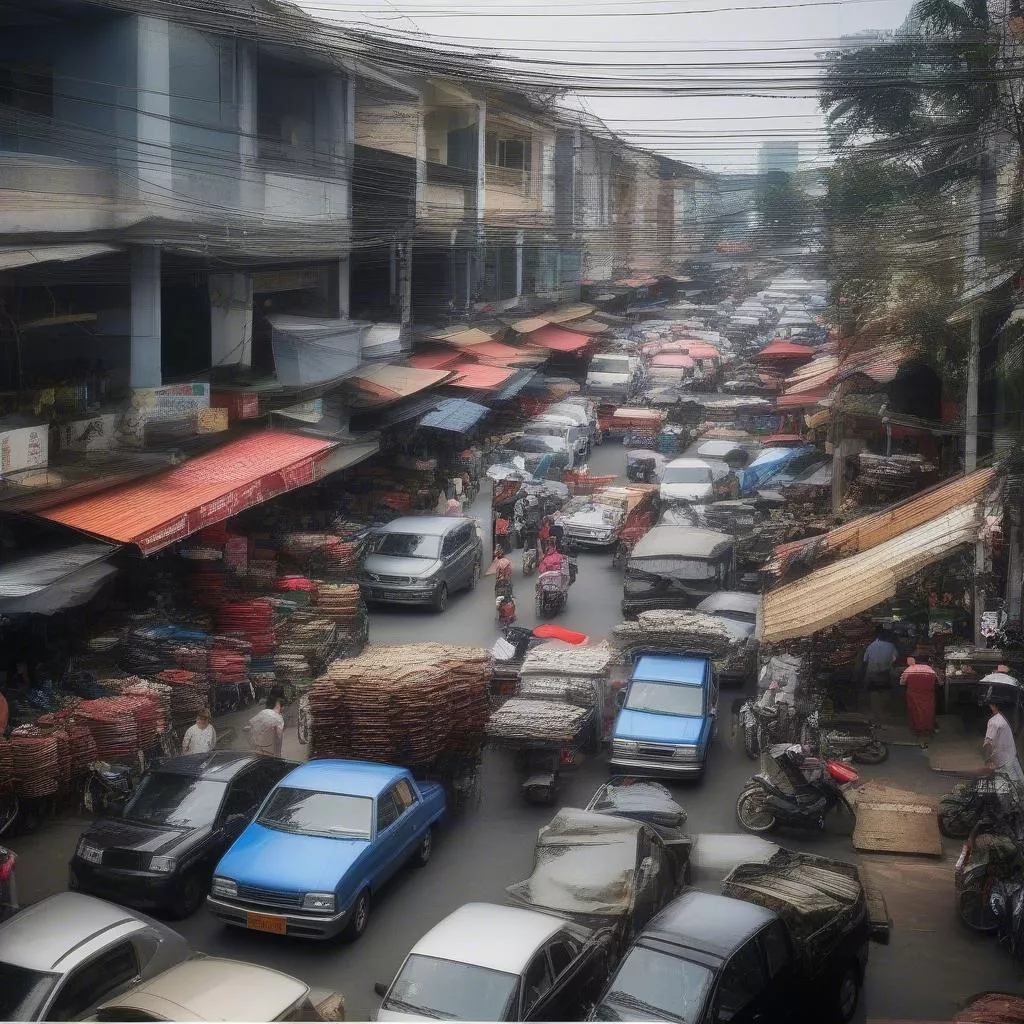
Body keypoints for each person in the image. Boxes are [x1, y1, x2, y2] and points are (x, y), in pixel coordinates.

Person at [983, 688, 1024, 787]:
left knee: (1006, 788)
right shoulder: (1009, 719)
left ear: (993, 706)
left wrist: (988, 760)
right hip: (1012, 755)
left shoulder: (994, 722)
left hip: (1002, 760)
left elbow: (988, 742)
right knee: (1021, 782)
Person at [899, 656, 941, 746]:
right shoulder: (932, 670)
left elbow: (902, 683)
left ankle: (917, 729)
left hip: (913, 695)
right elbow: (939, 682)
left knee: (915, 711)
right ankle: (928, 727)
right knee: (928, 711)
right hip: (928, 695)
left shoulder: (909, 669)